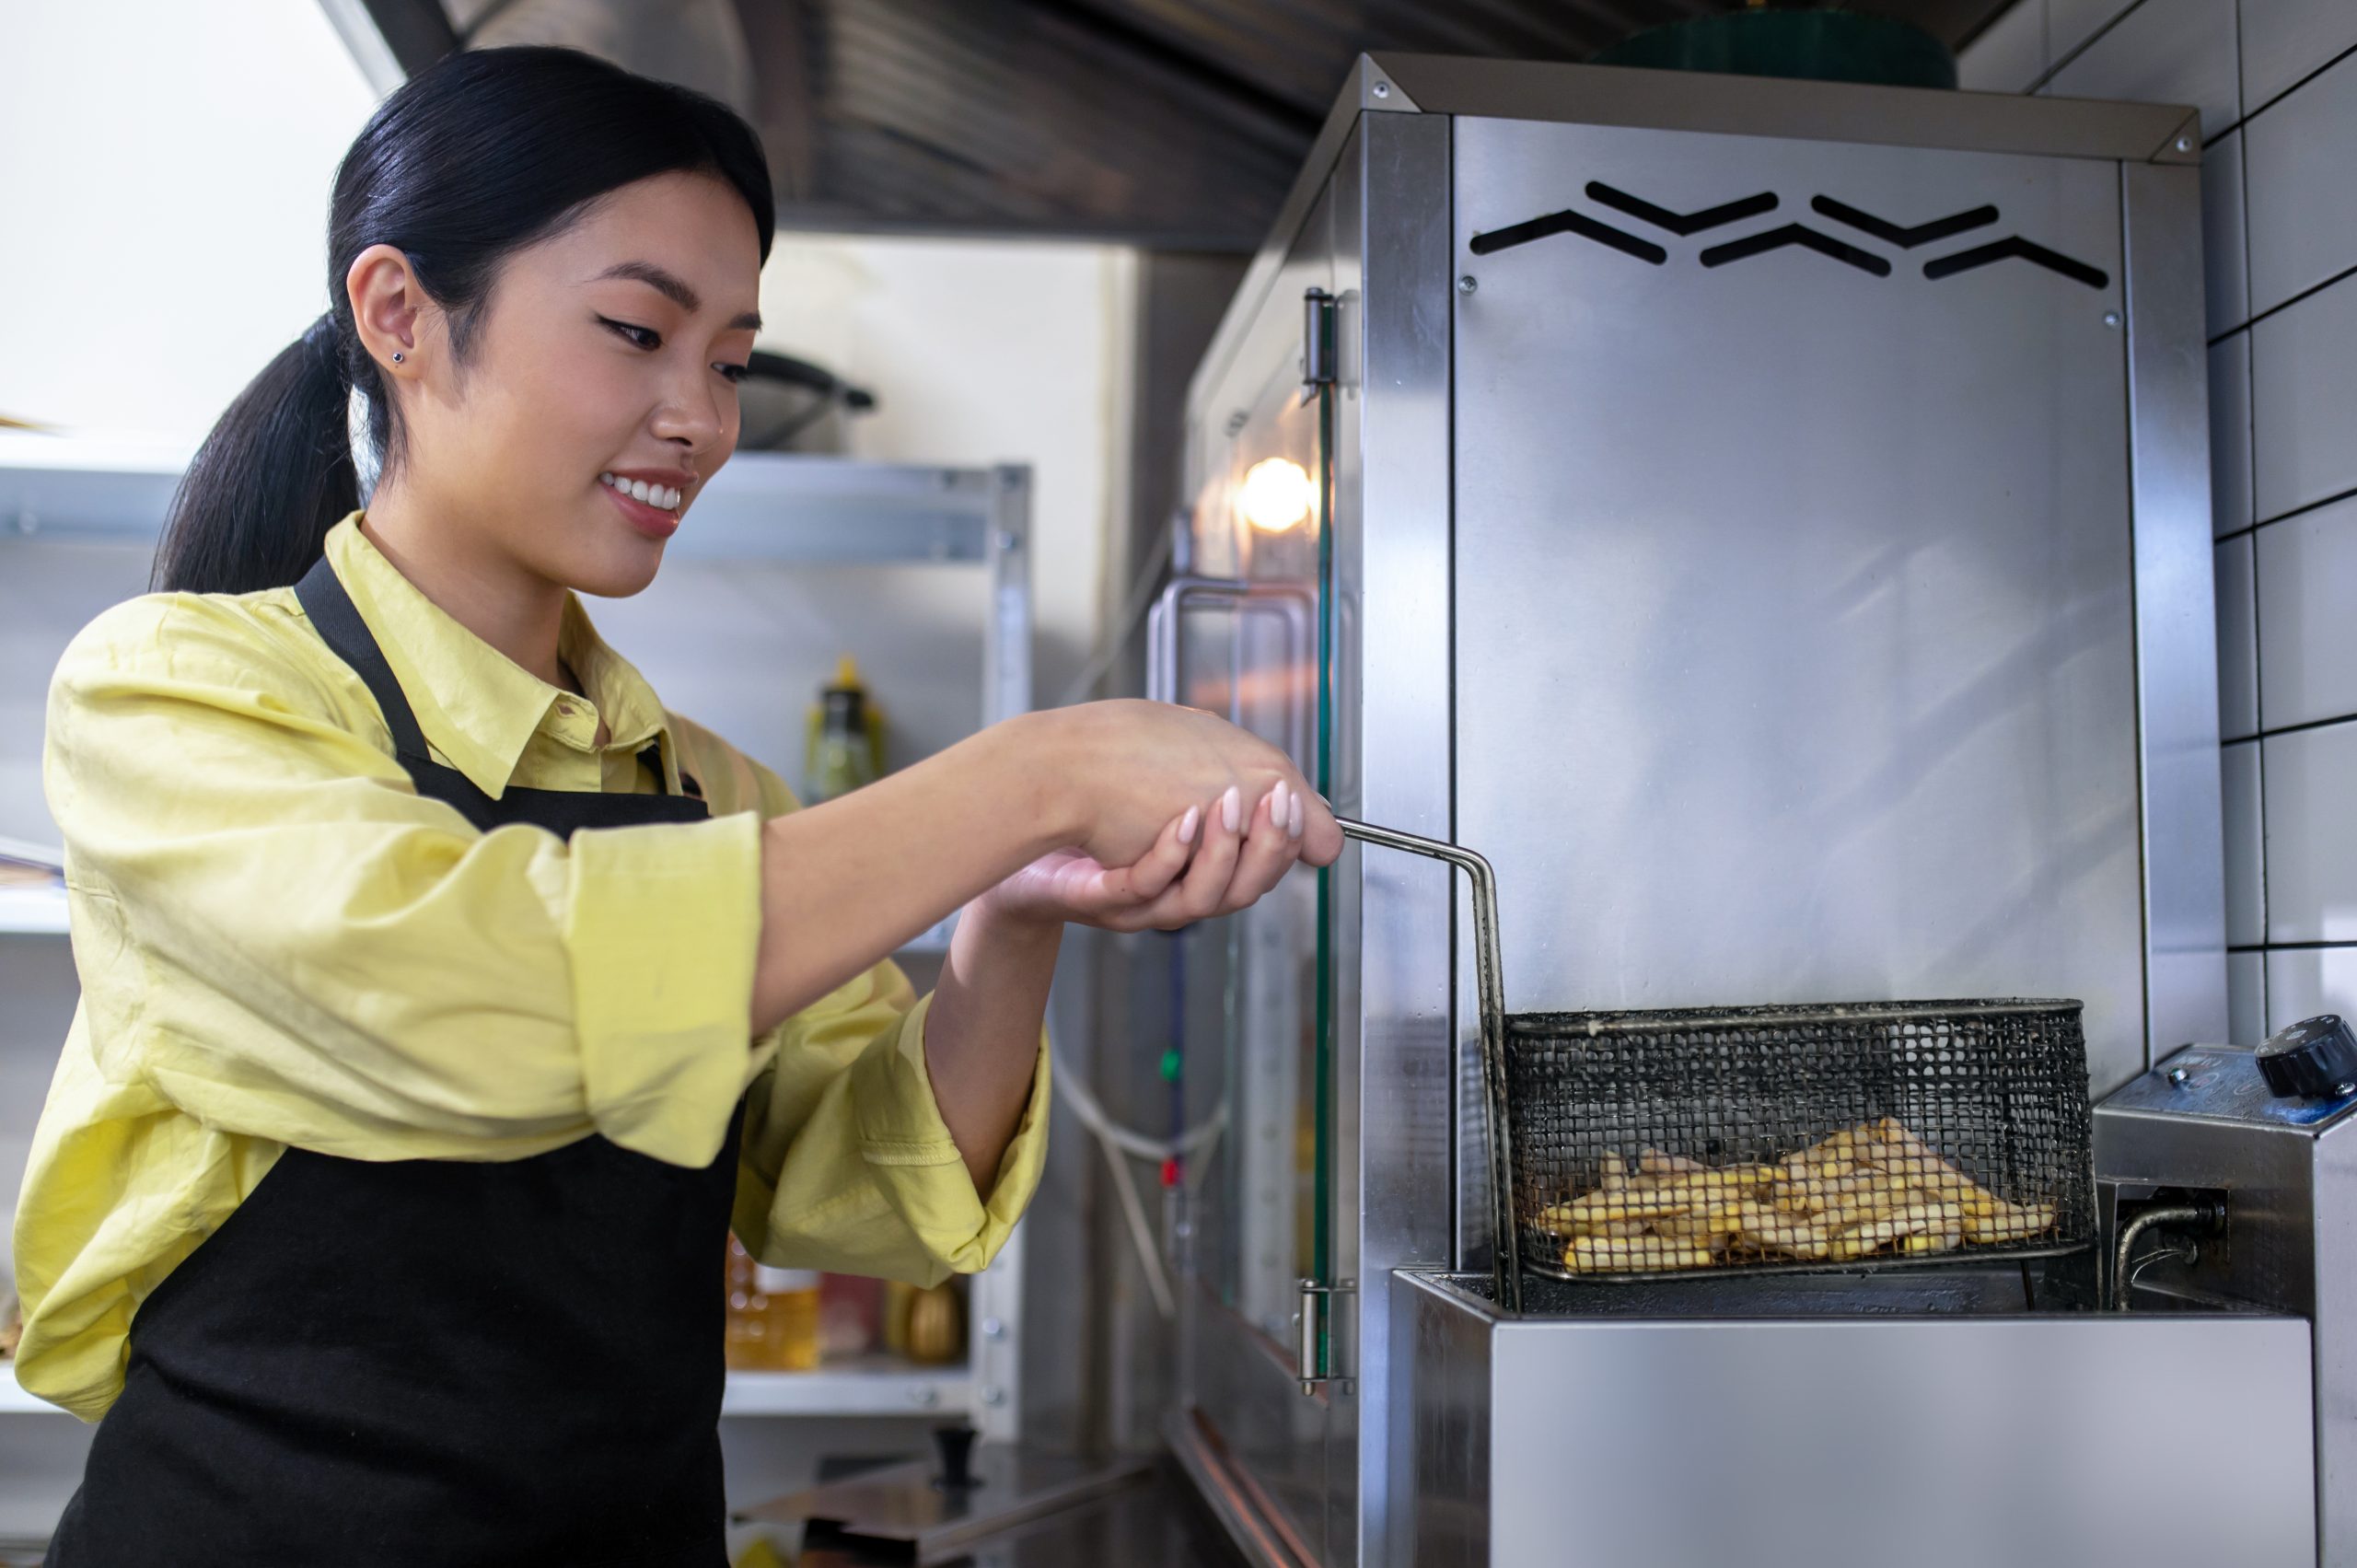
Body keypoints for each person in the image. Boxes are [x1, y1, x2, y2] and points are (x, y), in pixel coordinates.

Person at [10, 44, 1338, 1565]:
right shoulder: (182, 694)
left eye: (726, 360)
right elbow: (478, 995)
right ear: (399, 315)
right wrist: (1028, 773)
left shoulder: (700, 789)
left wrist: (1008, 917)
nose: (697, 417)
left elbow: (868, 1198)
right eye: (636, 331)